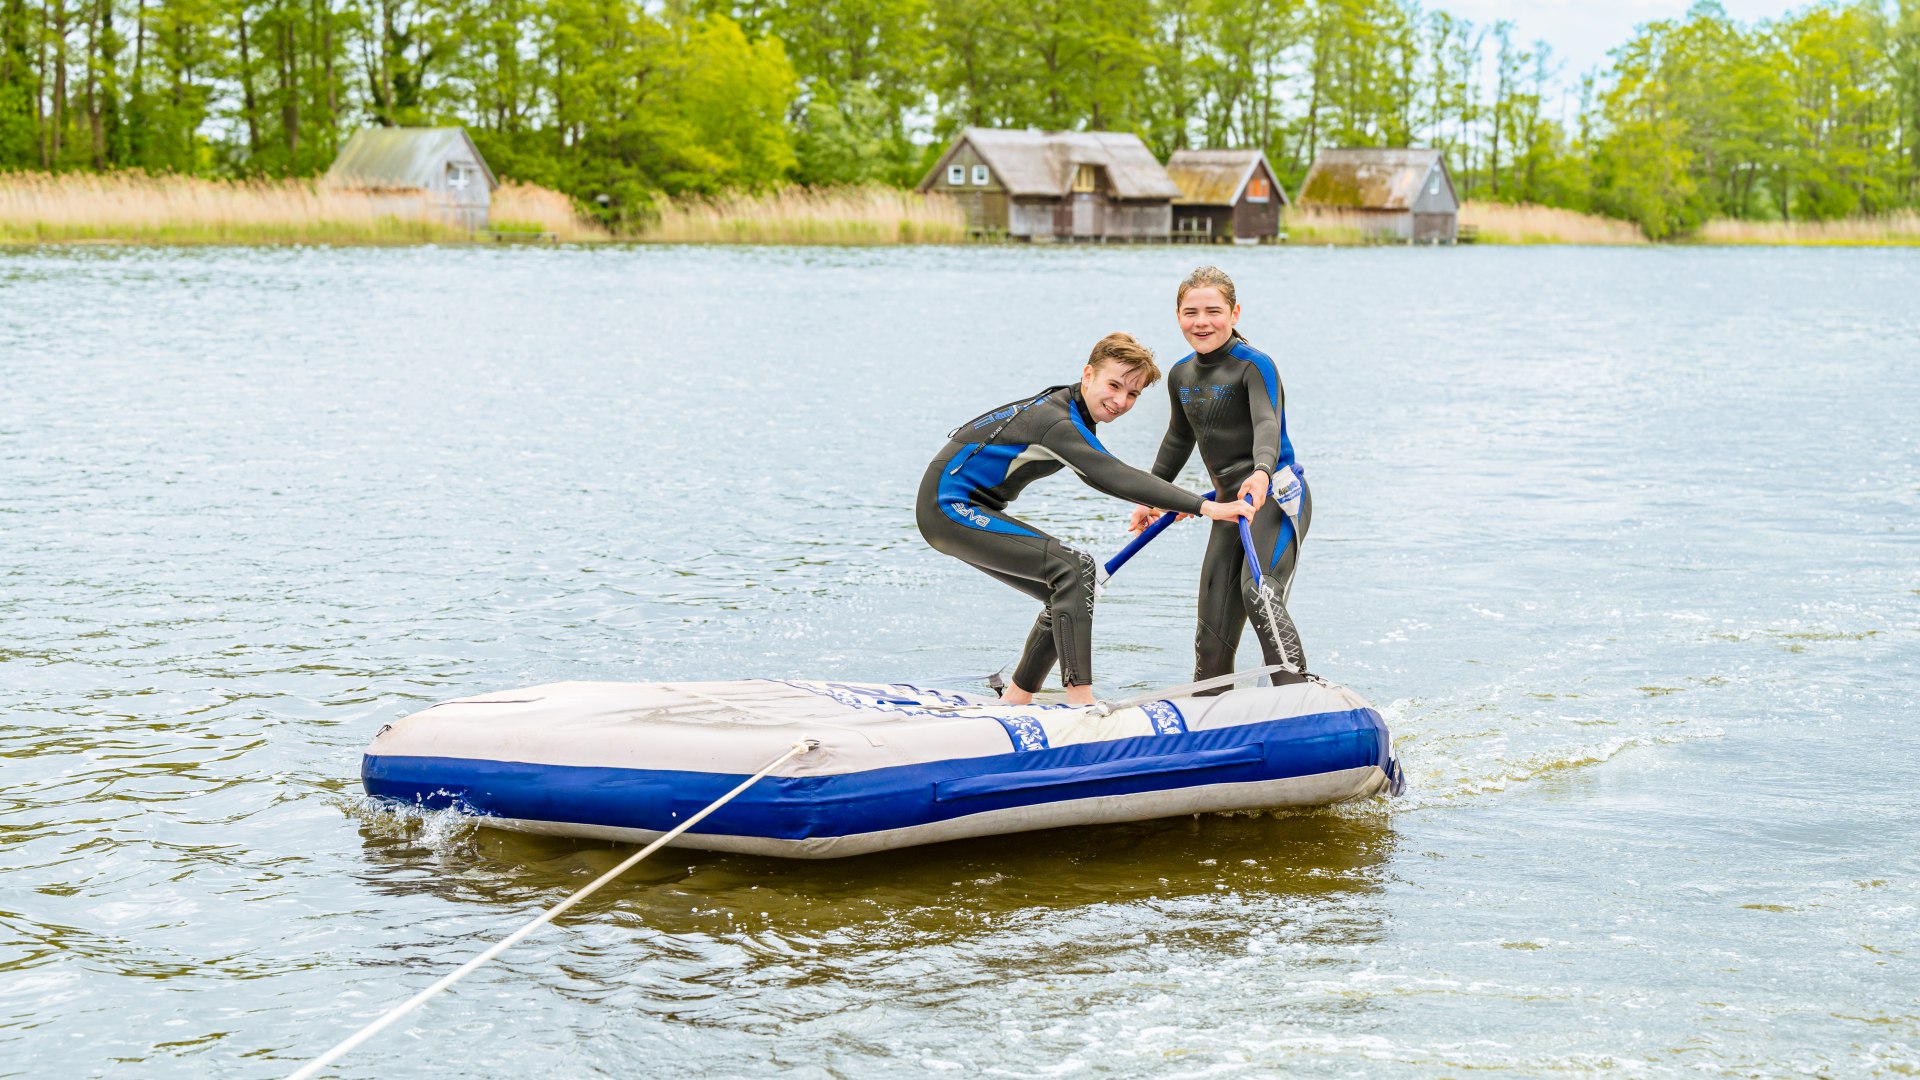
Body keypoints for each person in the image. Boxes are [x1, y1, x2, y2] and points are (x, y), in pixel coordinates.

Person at [918, 332, 1254, 706]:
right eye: (1114, 385)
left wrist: (1157, 501)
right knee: (1074, 570)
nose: (1120, 401)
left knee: (1065, 590)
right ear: (1088, 374)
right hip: (949, 509)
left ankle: (1015, 700)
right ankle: (1081, 702)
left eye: (1133, 394)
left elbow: (1099, 474)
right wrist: (1205, 506)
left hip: (962, 509)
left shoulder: (1071, 412)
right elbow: (1110, 473)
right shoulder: (1055, 422)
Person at [1129, 266, 1312, 687]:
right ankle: (1212, 717)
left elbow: (1268, 424)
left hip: (1275, 497)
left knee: (1259, 593)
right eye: (1191, 312)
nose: (1202, 322)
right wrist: (1153, 495)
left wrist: (1262, 473)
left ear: (1234, 313)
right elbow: (1178, 440)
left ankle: (1300, 698)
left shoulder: (1255, 366)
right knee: (1211, 630)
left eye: (1214, 310)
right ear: (1178, 316)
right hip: (1229, 506)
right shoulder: (1180, 375)